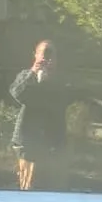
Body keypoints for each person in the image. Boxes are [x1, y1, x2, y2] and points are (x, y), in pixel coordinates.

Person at [9, 40, 69, 191]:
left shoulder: (61, 81)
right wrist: (33, 74)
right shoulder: (25, 76)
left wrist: (48, 81)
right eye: (44, 53)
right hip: (27, 142)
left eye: (51, 55)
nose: (47, 59)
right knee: (26, 186)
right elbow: (18, 94)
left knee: (50, 190)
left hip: (51, 143)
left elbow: (58, 102)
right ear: (35, 55)